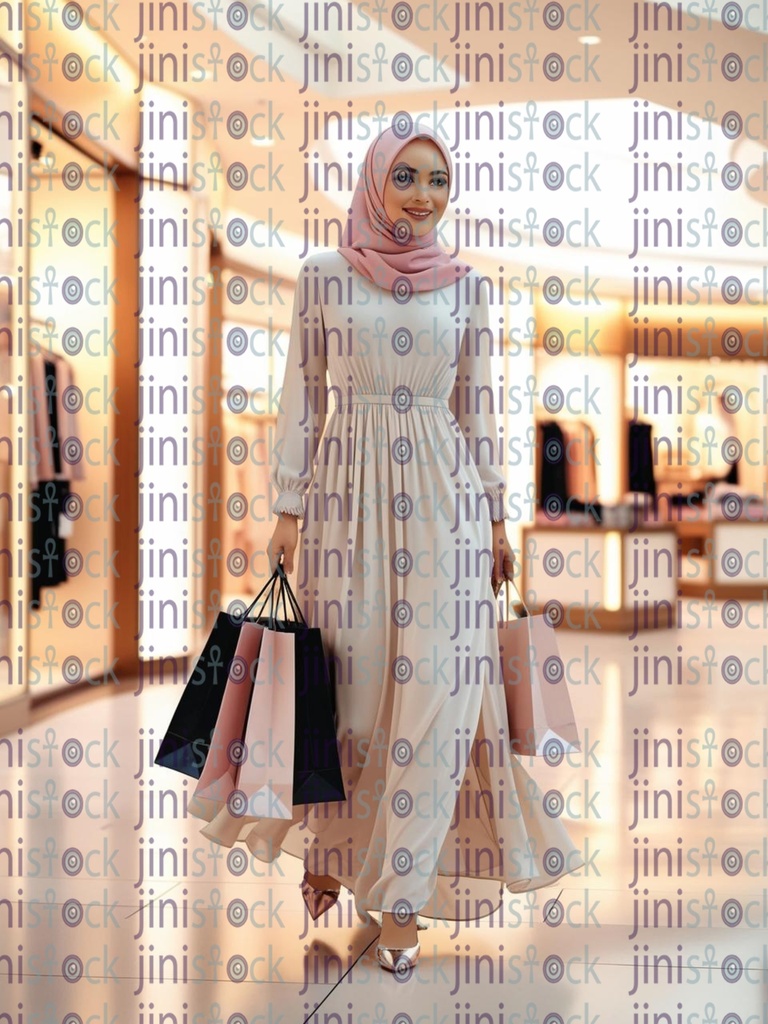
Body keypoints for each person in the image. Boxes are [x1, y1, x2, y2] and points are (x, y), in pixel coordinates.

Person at [204, 121, 584, 977]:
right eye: (406, 177)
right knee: (353, 692)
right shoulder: (323, 278)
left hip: (445, 505)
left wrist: (494, 516)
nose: (423, 196)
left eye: (438, 182)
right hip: (347, 505)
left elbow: (477, 404)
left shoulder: (466, 289)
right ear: (376, 182)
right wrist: (290, 507)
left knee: (441, 701)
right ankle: (333, 848)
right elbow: (303, 396)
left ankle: (402, 900)